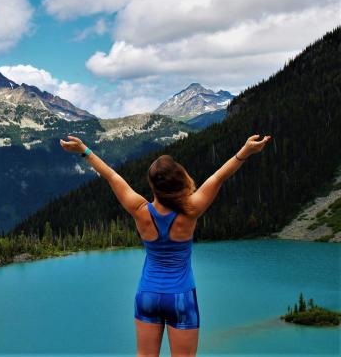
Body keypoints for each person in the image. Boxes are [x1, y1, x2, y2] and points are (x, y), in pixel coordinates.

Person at [59, 134, 272, 357]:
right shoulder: (191, 211)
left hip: (147, 295)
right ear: (181, 180)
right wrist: (246, 151)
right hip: (180, 296)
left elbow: (112, 176)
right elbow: (218, 177)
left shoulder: (140, 210)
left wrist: (84, 150)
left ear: (153, 186)